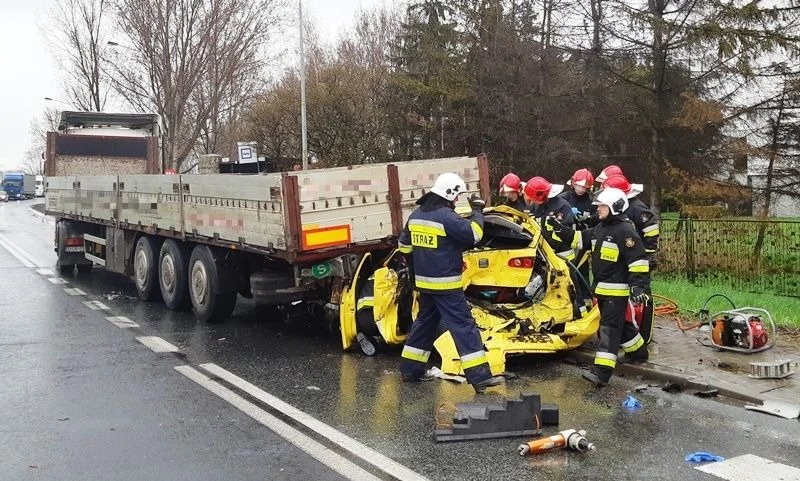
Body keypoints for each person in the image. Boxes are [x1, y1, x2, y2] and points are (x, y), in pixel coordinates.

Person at [397, 172, 505, 393]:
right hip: (446, 286)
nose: (457, 200)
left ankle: (411, 370)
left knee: (424, 324)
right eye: (457, 196)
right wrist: (477, 211)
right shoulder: (447, 217)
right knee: (463, 326)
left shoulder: (416, 216)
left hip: (425, 285)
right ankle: (480, 377)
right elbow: (474, 235)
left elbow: (404, 246)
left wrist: (415, 270)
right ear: (449, 194)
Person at [542, 187, 650, 386]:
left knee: (609, 330)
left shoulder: (626, 232)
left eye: (602, 206)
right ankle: (639, 353)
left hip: (616, 293)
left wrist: (638, 286)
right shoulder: (601, 229)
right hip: (601, 291)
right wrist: (558, 228)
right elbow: (578, 239)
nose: (597, 209)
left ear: (615, 207)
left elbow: (638, 262)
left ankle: (601, 374)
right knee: (621, 325)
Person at [601, 174, 660, 345]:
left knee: (643, 297)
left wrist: (646, 255)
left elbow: (651, 231)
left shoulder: (637, 208)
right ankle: (627, 335)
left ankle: (644, 336)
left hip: (639, 260)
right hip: (625, 260)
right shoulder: (622, 206)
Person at [523, 176, 575, 262]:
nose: (533, 202)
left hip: (563, 257)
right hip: (544, 255)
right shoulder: (535, 207)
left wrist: (543, 243)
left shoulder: (562, 207)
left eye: (534, 199)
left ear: (541, 195)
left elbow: (563, 234)